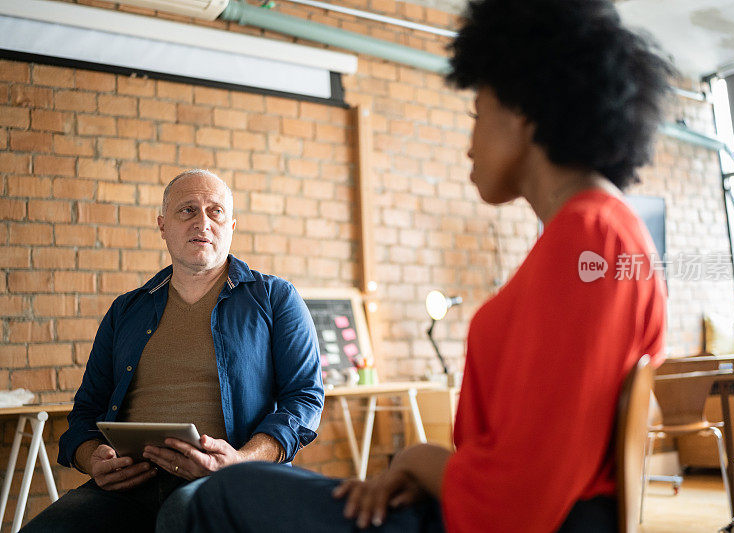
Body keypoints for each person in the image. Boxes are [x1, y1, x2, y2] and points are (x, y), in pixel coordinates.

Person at [175, 0, 674, 531]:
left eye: (477, 116)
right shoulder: (594, 233)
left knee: (216, 496)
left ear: (523, 111)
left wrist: (414, 460)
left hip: (487, 521)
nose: (468, 147)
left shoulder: (590, 238)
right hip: (475, 504)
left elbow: (517, 500)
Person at [22, 169, 324, 533]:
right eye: (187, 211)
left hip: (228, 480)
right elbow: (87, 408)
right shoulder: (126, 311)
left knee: (179, 518)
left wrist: (240, 460)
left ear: (231, 227)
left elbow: (305, 399)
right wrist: (91, 459)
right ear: (162, 226)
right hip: (128, 485)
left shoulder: (276, 299)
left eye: (215, 211)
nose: (203, 222)